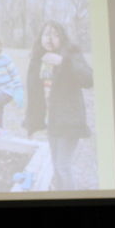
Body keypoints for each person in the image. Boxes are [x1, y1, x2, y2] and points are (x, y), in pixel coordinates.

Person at [23, 20, 94, 191]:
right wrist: (31, 125)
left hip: (70, 120)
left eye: (56, 35)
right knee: (56, 165)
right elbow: (35, 97)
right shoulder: (38, 59)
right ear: (41, 37)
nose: (50, 38)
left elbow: (88, 78)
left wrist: (63, 62)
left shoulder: (71, 54)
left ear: (63, 38)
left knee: (63, 166)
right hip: (53, 120)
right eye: (47, 34)